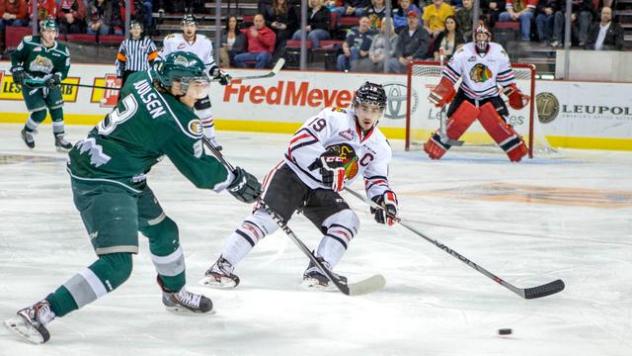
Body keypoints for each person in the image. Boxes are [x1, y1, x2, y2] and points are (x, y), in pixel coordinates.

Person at [3, 51, 262, 345]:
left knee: (165, 232)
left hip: (117, 168)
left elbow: (148, 81)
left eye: (203, 86)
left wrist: (197, 80)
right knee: (118, 264)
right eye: (196, 87)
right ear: (176, 86)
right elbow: (202, 173)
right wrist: (233, 179)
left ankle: (173, 293)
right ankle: (40, 311)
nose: (201, 95)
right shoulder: (176, 122)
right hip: (102, 178)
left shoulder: (141, 80)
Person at [200, 82, 399, 290]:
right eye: (364, 108)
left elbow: (377, 180)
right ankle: (221, 267)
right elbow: (298, 142)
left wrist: (383, 199)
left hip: (322, 190)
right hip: (292, 175)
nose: (368, 115)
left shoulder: (380, 146)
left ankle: (318, 269)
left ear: (381, 113)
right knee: (266, 220)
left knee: (347, 221)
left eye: (374, 110)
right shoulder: (334, 117)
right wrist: (323, 161)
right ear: (355, 105)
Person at [424, 25, 530, 162]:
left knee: (503, 124)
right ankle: (435, 148)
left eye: (484, 35)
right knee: (451, 123)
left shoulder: (499, 52)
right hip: (466, 94)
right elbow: (450, 76)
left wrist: (513, 93)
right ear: (474, 38)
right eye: (479, 36)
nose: (481, 38)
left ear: (489, 37)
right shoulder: (463, 51)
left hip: (490, 95)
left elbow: (506, 79)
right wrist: (443, 89)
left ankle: (516, 151)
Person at [160, 14, 231, 150]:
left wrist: (219, 73)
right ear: (182, 27)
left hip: (197, 83)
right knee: (176, 113)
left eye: (191, 25)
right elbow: (160, 59)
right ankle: (173, 139)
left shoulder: (204, 42)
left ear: (196, 27)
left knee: (205, 111)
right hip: (178, 84)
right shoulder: (172, 41)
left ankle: (211, 139)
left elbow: (209, 64)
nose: (189, 28)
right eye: (186, 25)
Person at [11, 20, 72, 151]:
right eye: (47, 31)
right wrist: (16, 69)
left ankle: (59, 138)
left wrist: (57, 77)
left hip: (49, 81)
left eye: (53, 32)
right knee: (40, 114)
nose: (50, 35)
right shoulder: (29, 42)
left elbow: (63, 70)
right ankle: (27, 131)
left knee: (57, 108)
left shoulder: (62, 51)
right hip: (30, 81)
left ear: (57, 33)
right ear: (42, 32)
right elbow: (15, 57)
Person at [115, 20, 158, 86]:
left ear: (141, 30)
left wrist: (154, 75)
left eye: (138, 28)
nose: (136, 30)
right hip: (129, 74)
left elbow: (154, 60)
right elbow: (120, 61)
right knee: (126, 94)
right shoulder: (125, 43)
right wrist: (119, 76)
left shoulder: (148, 43)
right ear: (130, 30)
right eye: (133, 28)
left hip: (143, 73)